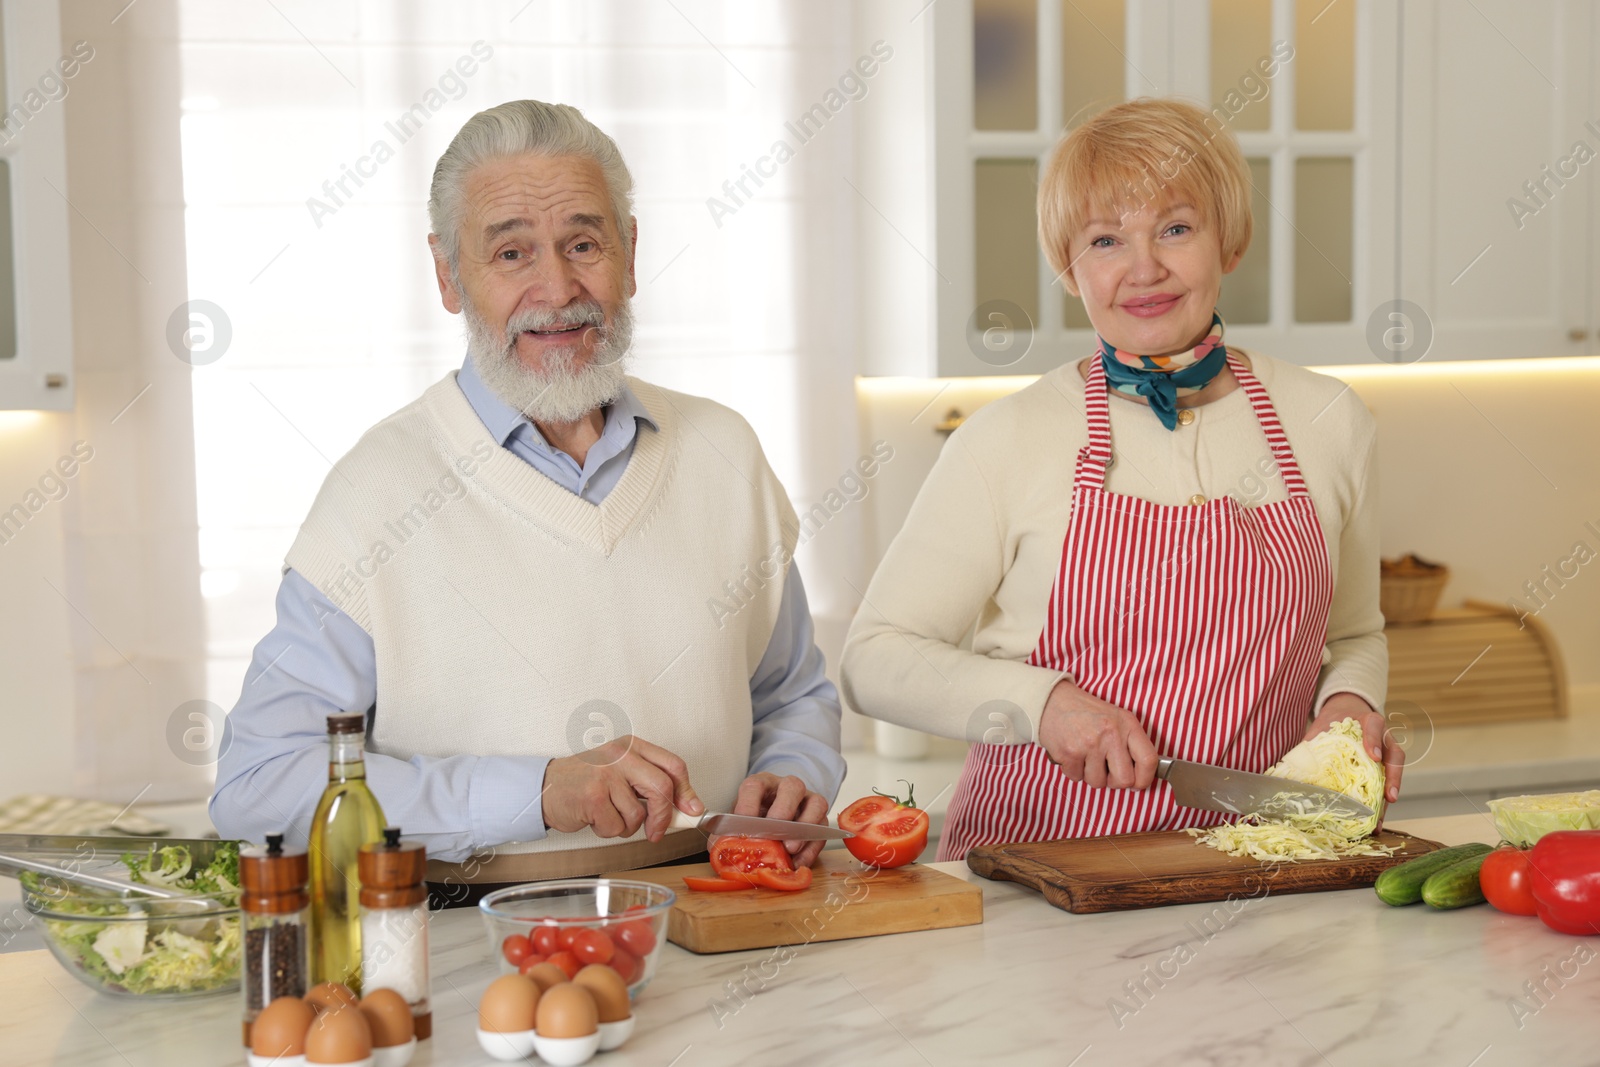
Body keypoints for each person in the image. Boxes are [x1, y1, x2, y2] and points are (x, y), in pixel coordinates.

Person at [211, 100, 845, 885]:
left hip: (719, 901)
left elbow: (791, 694)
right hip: (463, 938)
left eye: (584, 243)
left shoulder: (726, 453)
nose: (556, 288)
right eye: (511, 253)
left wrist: (795, 772)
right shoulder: (375, 494)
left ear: (631, 252)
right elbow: (257, 784)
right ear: (449, 275)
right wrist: (539, 790)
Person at [840, 98, 1402, 860]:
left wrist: (1348, 705)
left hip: (1259, 873)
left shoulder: (1330, 419)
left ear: (1228, 242)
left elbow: (1356, 633)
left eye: (1176, 228)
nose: (1145, 269)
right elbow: (874, 660)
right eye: (1106, 240)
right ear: (1071, 269)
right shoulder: (1007, 439)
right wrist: (1045, 706)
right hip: (1038, 886)